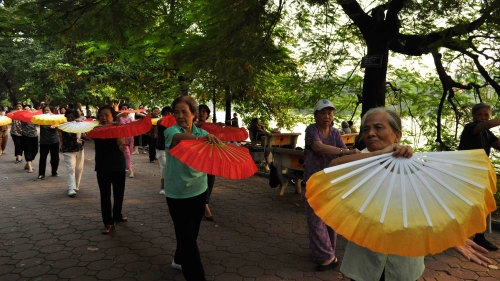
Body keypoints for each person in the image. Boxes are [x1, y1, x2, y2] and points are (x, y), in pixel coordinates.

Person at [327, 107, 492, 280]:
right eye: (366, 129)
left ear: (397, 135)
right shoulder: (360, 162)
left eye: (378, 127)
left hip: (404, 262)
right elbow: (332, 168)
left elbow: (430, 207)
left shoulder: (416, 167)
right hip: (364, 262)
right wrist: (379, 154)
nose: (370, 133)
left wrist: (450, 236)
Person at [163, 95, 221, 280]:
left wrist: (213, 140)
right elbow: (180, 139)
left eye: (184, 112)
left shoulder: (203, 135)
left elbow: (213, 155)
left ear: (193, 114)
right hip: (176, 193)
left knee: (190, 235)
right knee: (187, 238)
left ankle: (179, 258)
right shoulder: (171, 131)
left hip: (198, 190)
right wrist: (202, 138)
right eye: (177, 112)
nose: (180, 116)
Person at [304, 98, 358, 271]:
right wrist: (347, 151)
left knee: (330, 219)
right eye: (323, 113)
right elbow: (319, 148)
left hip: (332, 182)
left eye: (329, 112)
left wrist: (359, 155)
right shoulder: (312, 130)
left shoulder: (335, 133)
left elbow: (343, 156)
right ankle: (327, 256)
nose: (327, 116)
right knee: (315, 219)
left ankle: (327, 253)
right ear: (316, 115)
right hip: (314, 180)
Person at [458, 102, 500, 251]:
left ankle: (480, 238)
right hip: (467, 173)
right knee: (465, 205)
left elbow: (498, 144)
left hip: (480, 173)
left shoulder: (487, 132)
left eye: (486, 115)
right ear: (474, 117)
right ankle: (456, 236)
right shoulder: (470, 127)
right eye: (479, 115)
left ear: (490, 115)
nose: (483, 118)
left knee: (483, 205)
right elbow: (483, 126)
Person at [95, 105, 128, 234]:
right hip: (102, 167)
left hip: (118, 165)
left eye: (106, 115)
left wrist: (122, 144)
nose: (103, 118)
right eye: (101, 115)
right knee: (105, 196)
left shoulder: (118, 128)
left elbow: (121, 142)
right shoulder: (95, 130)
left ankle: (117, 215)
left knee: (119, 194)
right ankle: (108, 222)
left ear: (112, 117)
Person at [195, 104, 215, 221]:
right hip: (198, 158)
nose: (202, 113)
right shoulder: (194, 126)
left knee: (210, 180)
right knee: (200, 181)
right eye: (200, 111)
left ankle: (205, 202)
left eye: (204, 112)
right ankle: (205, 206)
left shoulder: (212, 127)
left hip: (211, 157)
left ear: (207, 114)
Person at [60, 108, 85, 197]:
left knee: (79, 169)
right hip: (68, 150)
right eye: (68, 116)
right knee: (71, 169)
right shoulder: (63, 125)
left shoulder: (80, 124)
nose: (70, 118)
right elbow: (62, 135)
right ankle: (71, 188)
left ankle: (76, 186)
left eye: (72, 116)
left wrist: (81, 138)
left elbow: (83, 134)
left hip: (79, 149)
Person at [37, 105, 60, 179]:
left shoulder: (55, 118)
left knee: (55, 158)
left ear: (51, 111)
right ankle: (41, 174)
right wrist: (50, 127)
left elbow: (60, 125)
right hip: (44, 141)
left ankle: (54, 171)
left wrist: (57, 126)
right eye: (45, 110)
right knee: (43, 158)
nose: (46, 112)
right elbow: (43, 127)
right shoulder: (41, 118)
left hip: (54, 141)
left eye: (48, 110)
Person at [156, 106, 172, 195]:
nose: (168, 115)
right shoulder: (160, 122)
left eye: (169, 113)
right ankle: (163, 186)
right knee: (164, 166)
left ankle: (170, 185)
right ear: (162, 114)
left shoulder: (175, 123)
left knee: (171, 167)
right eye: (165, 113)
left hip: (171, 148)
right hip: (161, 148)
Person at [117, 103, 135, 178]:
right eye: (123, 108)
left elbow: (135, 123)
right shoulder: (119, 118)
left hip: (130, 138)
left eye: (126, 108)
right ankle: (131, 171)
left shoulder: (130, 118)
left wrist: (137, 112)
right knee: (127, 154)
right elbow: (117, 116)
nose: (125, 110)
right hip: (122, 138)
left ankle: (125, 166)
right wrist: (124, 112)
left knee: (129, 155)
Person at [21, 106, 38, 173]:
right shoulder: (23, 117)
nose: (27, 110)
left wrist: (34, 111)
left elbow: (38, 123)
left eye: (28, 109)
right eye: (26, 109)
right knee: (28, 151)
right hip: (26, 136)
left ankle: (28, 164)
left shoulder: (34, 117)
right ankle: (30, 167)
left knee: (35, 150)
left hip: (34, 135)